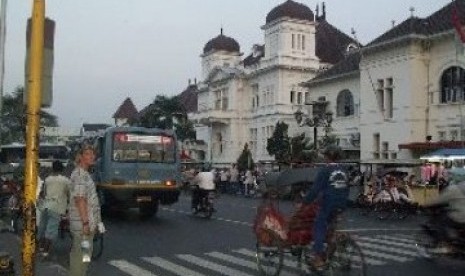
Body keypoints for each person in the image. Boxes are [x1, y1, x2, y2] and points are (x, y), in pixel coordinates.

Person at [302, 147, 349, 268]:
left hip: (329, 203)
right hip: (342, 203)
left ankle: (318, 258)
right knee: (331, 226)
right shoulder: (344, 170)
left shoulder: (325, 170)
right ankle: (333, 245)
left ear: (327, 157)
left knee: (319, 226)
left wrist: (305, 202)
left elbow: (315, 190)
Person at [68, 144, 105, 276]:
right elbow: (80, 199)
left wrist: (96, 223)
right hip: (82, 226)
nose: (92, 156)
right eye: (88, 153)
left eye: (93, 153)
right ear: (80, 157)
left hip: (86, 224)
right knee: (80, 258)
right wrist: (85, 223)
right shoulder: (80, 175)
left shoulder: (84, 174)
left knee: (85, 256)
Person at [37, 160, 71, 258]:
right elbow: (70, 194)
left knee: (42, 228)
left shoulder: (47, 179)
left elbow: (43, 193)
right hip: (56, 207)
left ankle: (41, 248)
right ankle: (45, 252)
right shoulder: (65, 180)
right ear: (62, 169)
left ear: (52, 168)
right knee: (51, 231)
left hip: (46, 206)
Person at [423, 179, 465, 253]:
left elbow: (439, 200)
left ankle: (444, 244)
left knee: (441, 220)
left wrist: (426, 204)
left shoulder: (454, 189)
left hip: (460, 216)